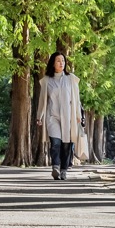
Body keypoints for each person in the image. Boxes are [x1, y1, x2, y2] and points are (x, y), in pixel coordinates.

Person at [36, 52, 84, 180]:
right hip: (53, 117)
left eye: (63, 60)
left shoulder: (71, 79)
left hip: (68, 117)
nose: (61, 63)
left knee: (66, 144)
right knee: (56, 142)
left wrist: (78, 115)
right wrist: (39, 116)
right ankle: (55, 167)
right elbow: (42, 100)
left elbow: (76, 99)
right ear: (53, 63)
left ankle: (64, 170)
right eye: (58, 60)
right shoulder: (47, 80)